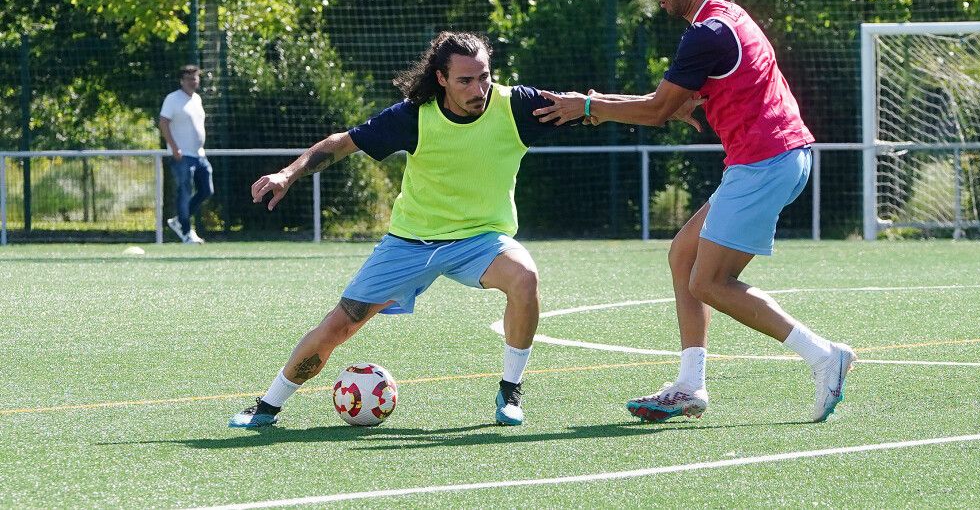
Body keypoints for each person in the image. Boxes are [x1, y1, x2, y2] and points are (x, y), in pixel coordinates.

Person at [229, 32, 697, 429]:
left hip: (481, 241)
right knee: (341, 324)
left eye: (485, 76)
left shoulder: (516, 107)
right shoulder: (412, 116)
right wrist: (287, 174)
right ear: (441, 80)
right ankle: (266, 407)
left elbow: (587, 107)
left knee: (525, 278)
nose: (479, 89)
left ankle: (510, 391)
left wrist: (665, 107)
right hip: (409, 243)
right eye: (466, 80)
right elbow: (341, 144)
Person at [535, 0, 856, 424]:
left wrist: (588, 105)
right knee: (684, 256)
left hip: (764, 162)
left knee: (710, 281)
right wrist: (615, 106)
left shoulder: (706, 34)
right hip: (775, 158)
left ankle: (823, 356)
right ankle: (690, 384)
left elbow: (657, 111)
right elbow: (675, 101)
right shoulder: (725, 19)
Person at [159, 64, 212, 244]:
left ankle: (178, 221)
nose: (194, 81)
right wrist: (174, 147)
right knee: (185, 191)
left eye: (196, 78)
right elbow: (163, 122)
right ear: (181, 81)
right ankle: (186, 231)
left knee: (206, 190)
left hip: (199, 155)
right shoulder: (173, 99)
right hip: (182, 156)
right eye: (189, 78)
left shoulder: (197, 99)